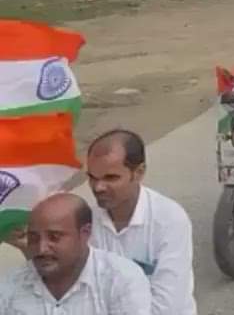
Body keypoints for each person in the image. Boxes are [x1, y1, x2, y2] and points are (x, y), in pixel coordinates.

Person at [85, 131, 195, 315]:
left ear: (139, 173)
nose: (98, 187)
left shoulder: (169, 220)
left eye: (110, 178)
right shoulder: (87, 220)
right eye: (92, 178)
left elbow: (167, 308)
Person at [0, 193, 152, 314]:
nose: (41, 249)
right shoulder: (12, 284)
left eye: (54, 237)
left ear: (84, 233)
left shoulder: (120, 279)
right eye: (34, 238)